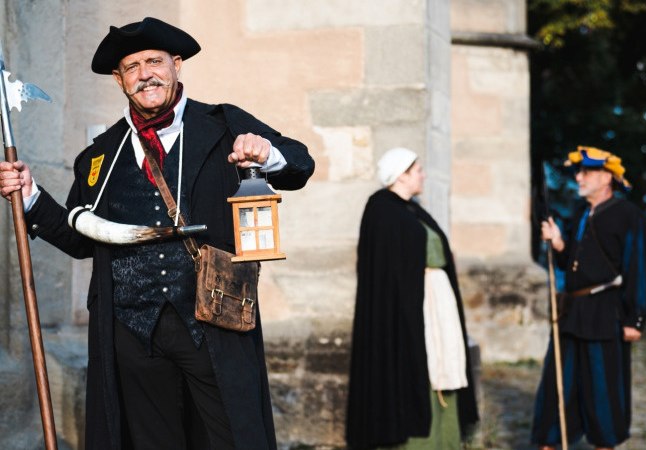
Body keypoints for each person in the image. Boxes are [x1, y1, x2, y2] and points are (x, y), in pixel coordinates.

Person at [0, 17, 314, 450]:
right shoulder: (100, 155)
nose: (145, 73)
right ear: (119, 79)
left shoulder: (222, 125)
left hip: (212, 320)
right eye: (132, 67)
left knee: (233, 438)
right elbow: (78, 238)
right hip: (131, 329)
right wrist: (32, 197)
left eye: (154, 61)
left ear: (176, 65)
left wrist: (267, 153)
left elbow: (301, 162)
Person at [346, 147, 479, 450]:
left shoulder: (412, 209)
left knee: (444, 364)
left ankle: (445, 439)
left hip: (435, 302)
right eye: (418, 170)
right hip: (409, 309)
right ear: (402, 175)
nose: (423, 174)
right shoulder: (382, 210)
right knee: (420, 363)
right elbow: (384, 273)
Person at [532, 146, 646, 449]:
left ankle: (605, 442)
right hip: (573, 312)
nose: (578, 177)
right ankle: (551, 440)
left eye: (586, 172)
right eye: (579, 172)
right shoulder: (581, 214)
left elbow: (641, 267)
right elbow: (575, 265)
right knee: (560, 386)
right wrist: (559, 243)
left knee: (603, 390)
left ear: (606, 177)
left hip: (607, 314)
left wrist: (636, 318)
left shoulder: (628, 216)